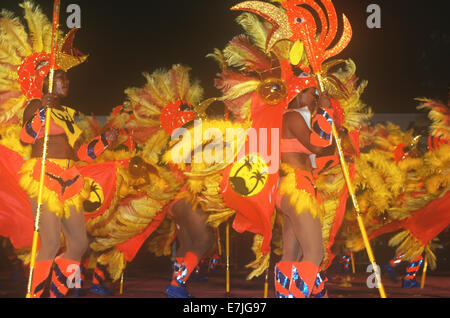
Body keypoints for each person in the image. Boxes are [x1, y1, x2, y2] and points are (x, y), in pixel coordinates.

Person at [20, 67, 118, 298]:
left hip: (70, 179)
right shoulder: (36, 104)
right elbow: (25, 137)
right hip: (45, 177)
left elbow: (80, 153)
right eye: (62, 78)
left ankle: (56, 293)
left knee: (79, 243)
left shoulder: (66, 113)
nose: (68, 82)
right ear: (48, 81)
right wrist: (43, 110)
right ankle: (34, 296)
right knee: (51, 242)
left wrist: (105, 140)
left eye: (67, 78)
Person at [274, 80, 336, 298]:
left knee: (290, 255)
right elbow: (318, 145)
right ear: (298, 94)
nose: (314, 98)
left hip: (289, 188)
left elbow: (324, 148)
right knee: (314, 254)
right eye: (312, 93)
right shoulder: (292, 117)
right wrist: (326, 110)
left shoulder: (286, 117)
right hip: (298, 187)